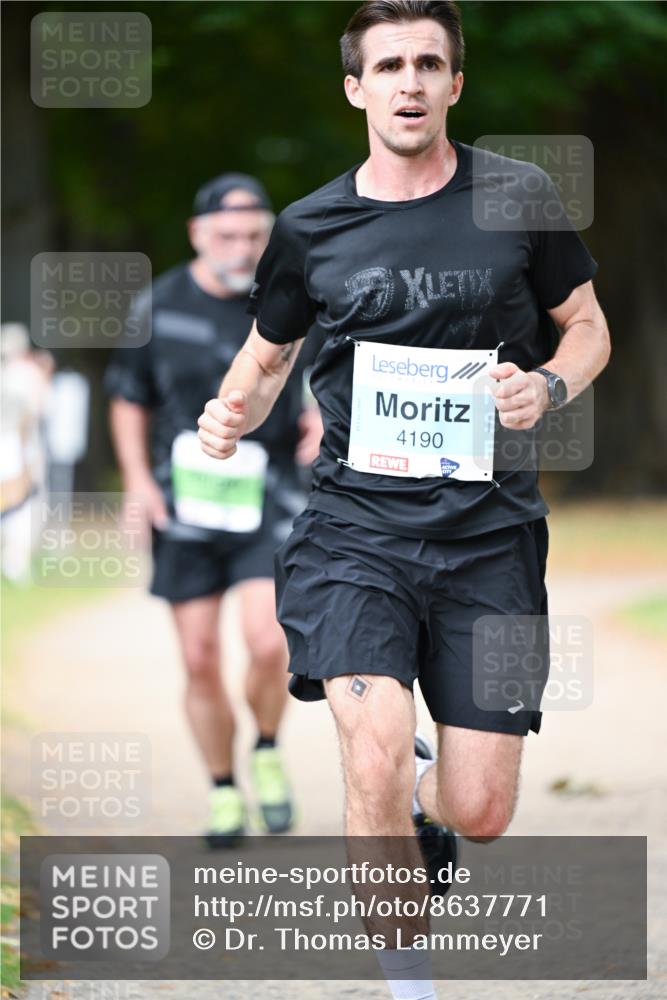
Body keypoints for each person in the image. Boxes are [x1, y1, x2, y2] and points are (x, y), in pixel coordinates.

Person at [197, 3, 610, 995]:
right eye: (389, 65)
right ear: (357, 88)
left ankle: (433, 801)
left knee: (481, 809)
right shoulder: (309, 227)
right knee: (369, 752)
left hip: (490, 541)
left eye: (430, 62)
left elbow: (587, 326)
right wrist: (227, 412)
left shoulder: (518, 197)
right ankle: (406, 973)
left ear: (455, 84)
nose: (411, 80)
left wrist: (547, 386)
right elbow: (265, 355)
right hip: (353, 533)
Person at [105, 173, 323, 847]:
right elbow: (126, 396)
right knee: (199, 658)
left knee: (267, 642)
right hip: (184, 506)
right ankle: (224, 789)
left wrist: (317, 412)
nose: (242, 246)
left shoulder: (287, 298)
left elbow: (322, 371)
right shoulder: (159, 305)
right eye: (227, 235)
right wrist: (138, 482)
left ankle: (263, 743)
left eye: (256, 235)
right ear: (198, 235)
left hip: (272, 498)